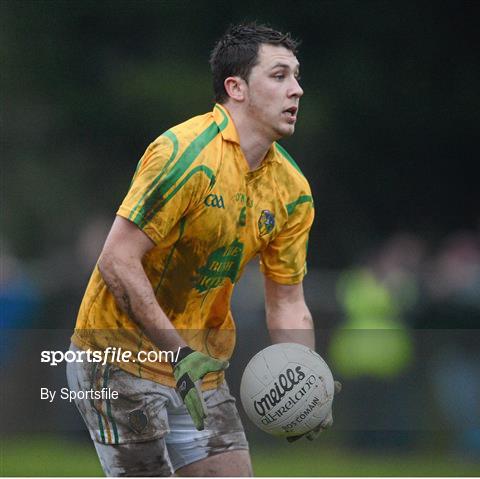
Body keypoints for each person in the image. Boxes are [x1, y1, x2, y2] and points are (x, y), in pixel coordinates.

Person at [67, 22, 336, 476]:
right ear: (236, 88)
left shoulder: (292, 190)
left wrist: (307, 377)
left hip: (201, 368)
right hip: (116, 362)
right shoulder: (184, 154)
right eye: (279, 76)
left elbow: (288, 301)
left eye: (297, 76)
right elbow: (116, 259)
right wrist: (177, 354)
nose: (297, 90)